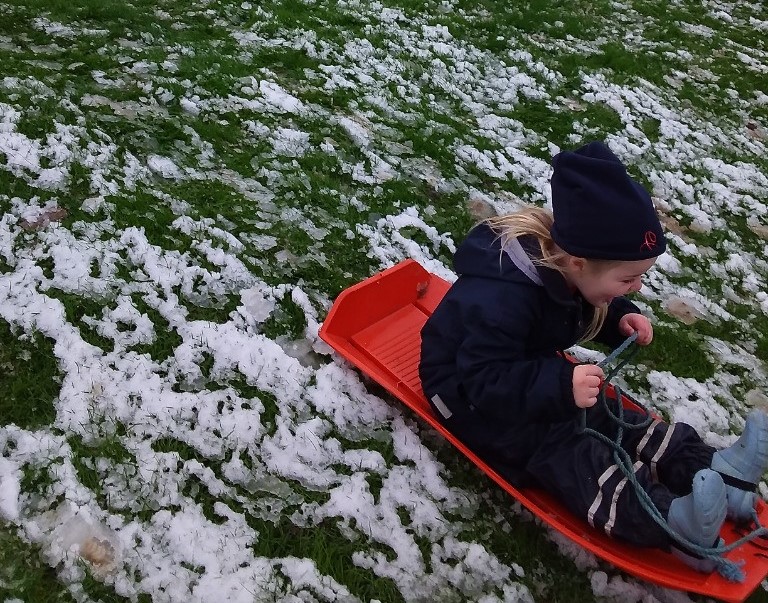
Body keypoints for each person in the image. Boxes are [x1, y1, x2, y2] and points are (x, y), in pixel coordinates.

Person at [418, 141, 768, 572]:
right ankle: (674, 524)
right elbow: (483, 379)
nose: (637, 286)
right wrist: (559, 386)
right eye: (629, 278)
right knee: (570, 450)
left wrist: (617, 317)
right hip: (468, 397)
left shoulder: (569, 269)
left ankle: (718, 470)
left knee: (608, 410)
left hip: (523, 372)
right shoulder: (502, 298)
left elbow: (581, 303)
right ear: (580, 262)